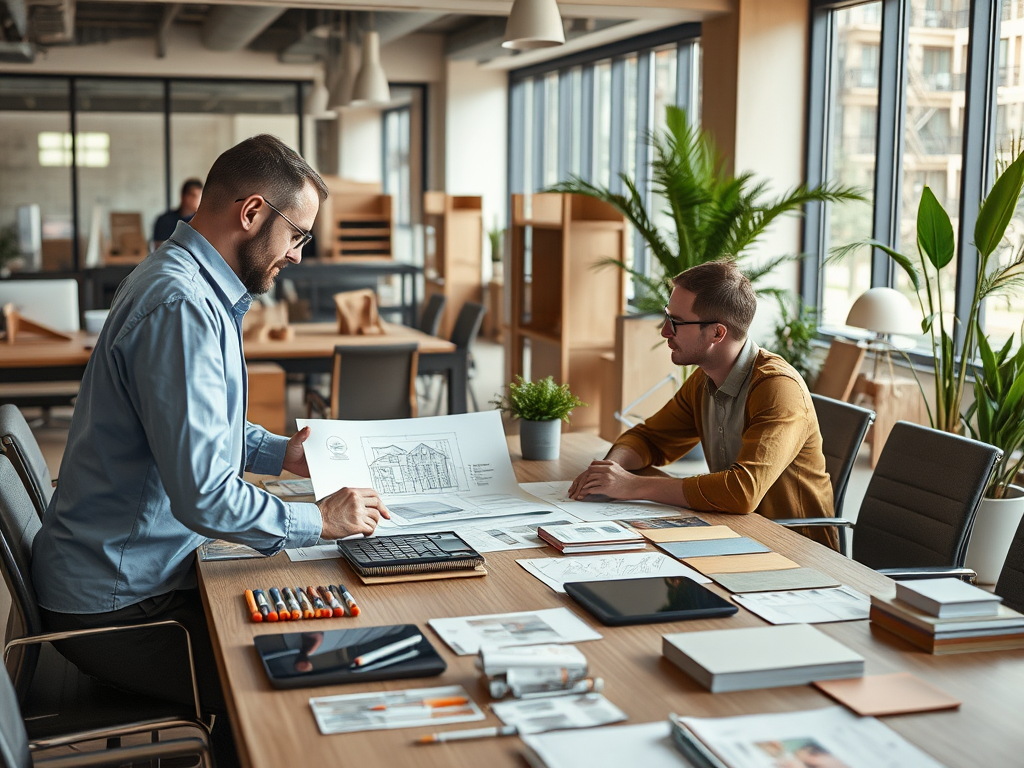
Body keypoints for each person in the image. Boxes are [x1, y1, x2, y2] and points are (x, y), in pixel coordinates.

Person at [32, 135, 390, 766]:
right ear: (252, 214)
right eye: (298, 236)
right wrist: (321, 520)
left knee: (301, 611)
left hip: (122, 576)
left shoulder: (186, 283)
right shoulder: (183, 306)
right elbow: (204, 494)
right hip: (119, 607)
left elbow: (195, 428)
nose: (298, 256)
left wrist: (280, 453)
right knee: (299, 677)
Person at [569, 261, 838, 551]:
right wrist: (612, 470)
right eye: (666, 317)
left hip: (796, 550)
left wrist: (631, 486)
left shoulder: (777, 388)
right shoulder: (704, 380)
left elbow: (742, 491)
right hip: (736, 535)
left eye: (676, 322)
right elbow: (651, 438)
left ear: (717, 334)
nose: (664, 332)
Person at [152, 177, 203, 246]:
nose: (198, 200)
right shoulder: (165, 220)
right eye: (193, 196)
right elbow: (158, 249)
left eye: (200, 196)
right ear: (183, 196)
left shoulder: (202, 222)